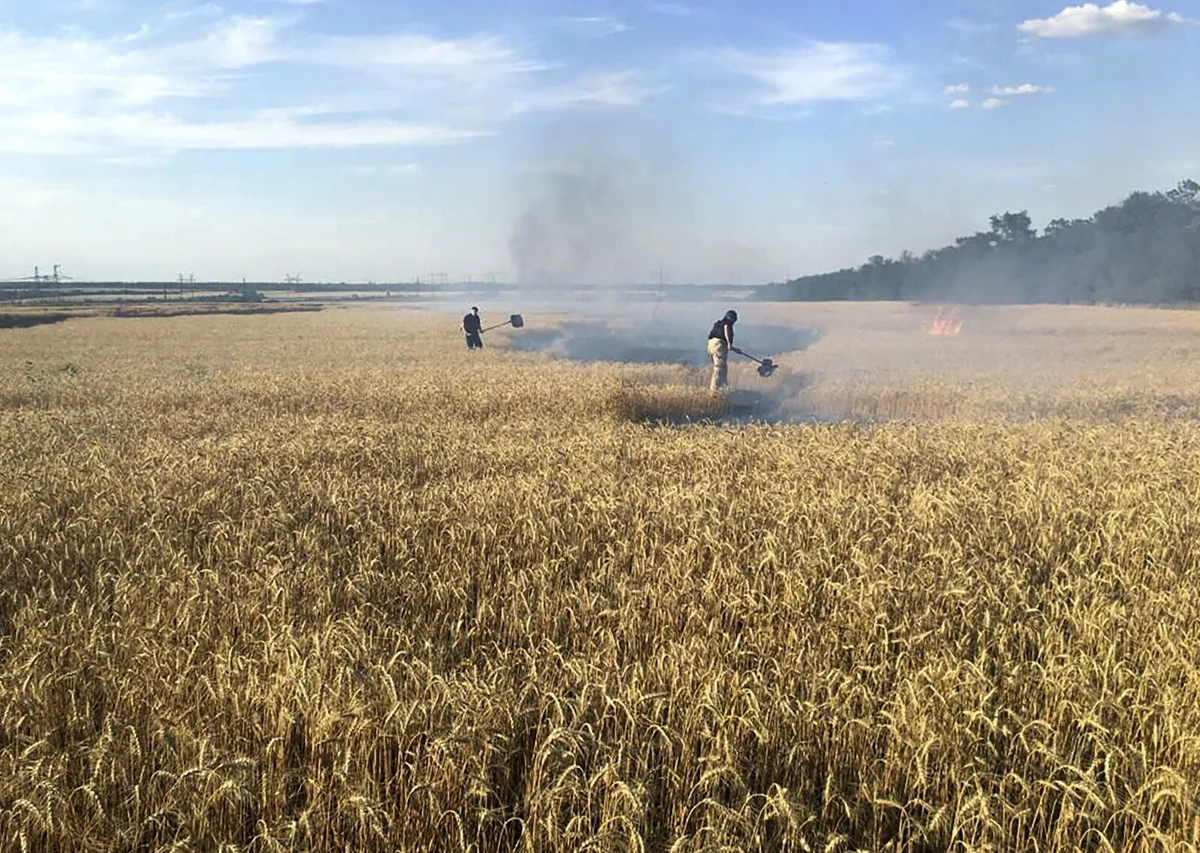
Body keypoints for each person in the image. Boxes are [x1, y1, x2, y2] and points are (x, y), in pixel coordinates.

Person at [707, 309, 739, 391]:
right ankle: (715, 391)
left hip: (712, 345)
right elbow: (726, 327)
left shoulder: (718, 323)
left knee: (722, 367)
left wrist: (734, 349)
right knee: (720, 367)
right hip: (719, 345)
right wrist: (729, 343)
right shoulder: (727, 323)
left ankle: (722, 387)